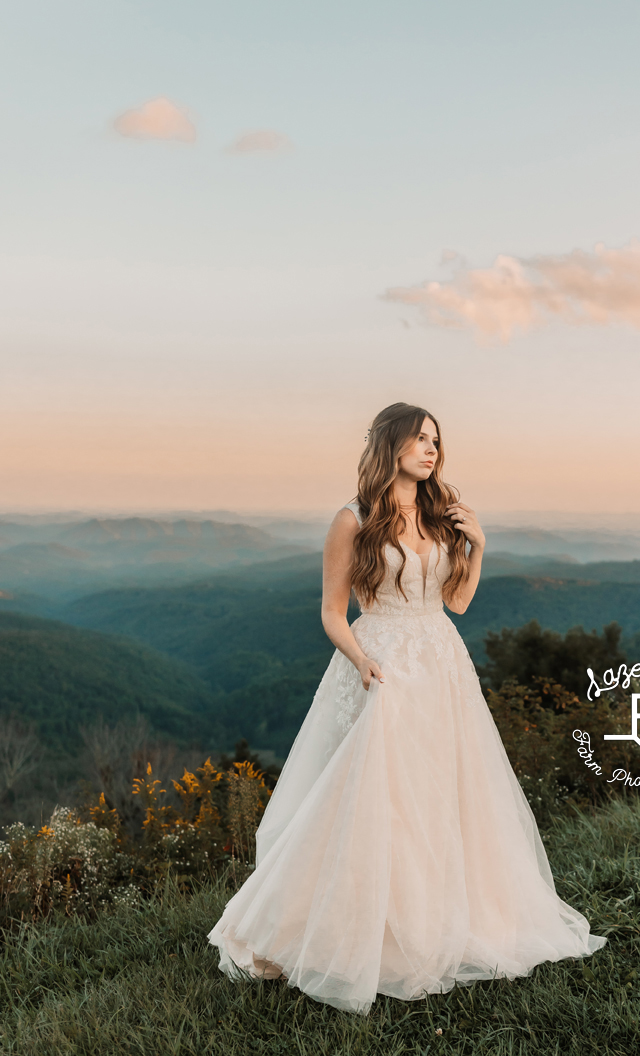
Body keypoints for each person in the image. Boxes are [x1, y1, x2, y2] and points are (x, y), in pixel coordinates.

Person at [207, 403, 605, 1013]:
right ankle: (354, 927)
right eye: (420, 439)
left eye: (436, 441)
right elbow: (332, 612)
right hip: (383, 660)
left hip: (443, 661)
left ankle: (438, 918)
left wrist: (477, 543)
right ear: (392, 443)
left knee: (441, 790)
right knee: (375, 794)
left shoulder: (441, 515)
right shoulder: (354, 518)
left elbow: (459, 602)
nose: (431, 450)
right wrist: (361, 659)